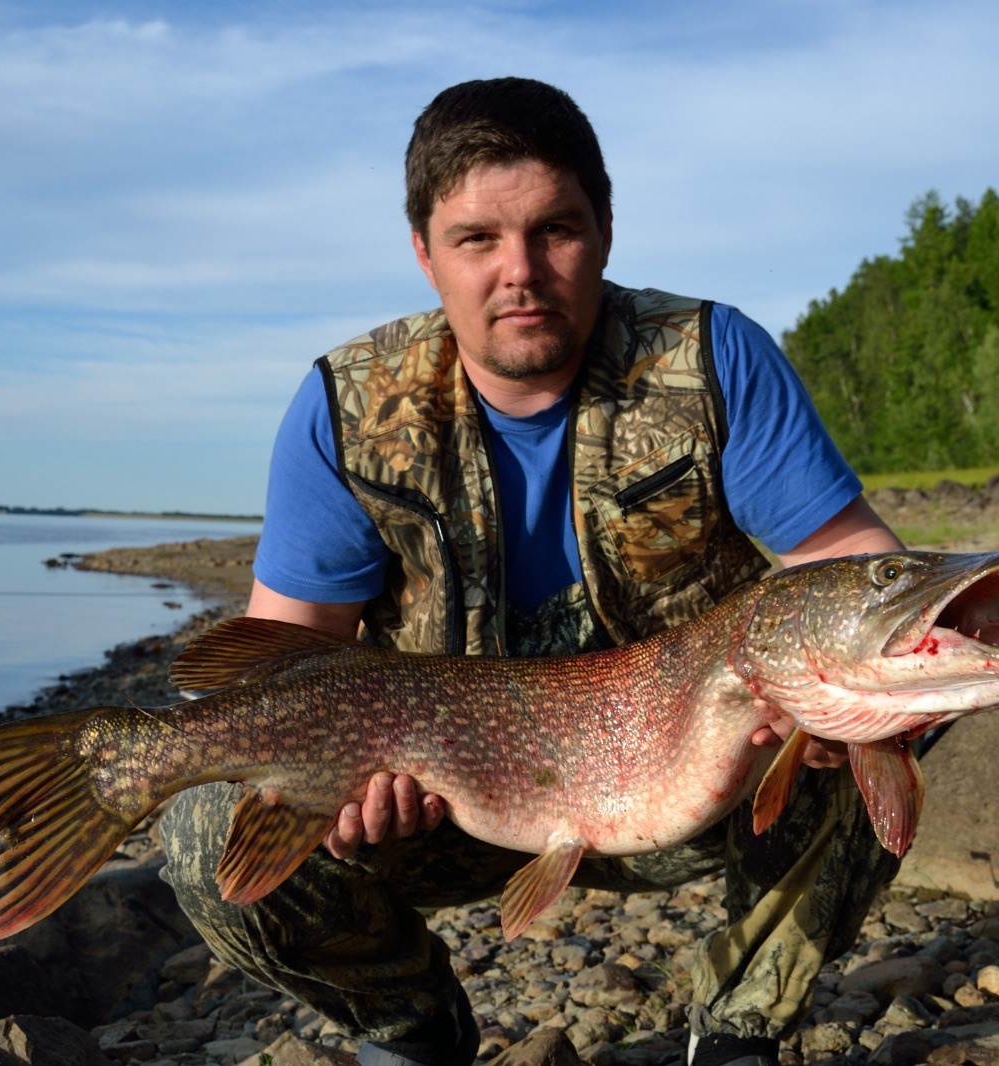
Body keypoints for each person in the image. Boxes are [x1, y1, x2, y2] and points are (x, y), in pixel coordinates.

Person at [160, 76, 905, 1066]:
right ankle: (408, 1025)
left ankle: (735, 1029)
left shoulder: (714, 358)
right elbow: (276, 667)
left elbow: (853, 563)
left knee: (875, 701)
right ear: (425, 254)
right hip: (447, 804)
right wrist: (333, 792)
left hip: (691, 781)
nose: (520, 271)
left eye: (554, 229)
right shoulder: (345, 408)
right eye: (477, 239)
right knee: (204, 823)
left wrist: (891, 662)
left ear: (602, 229)